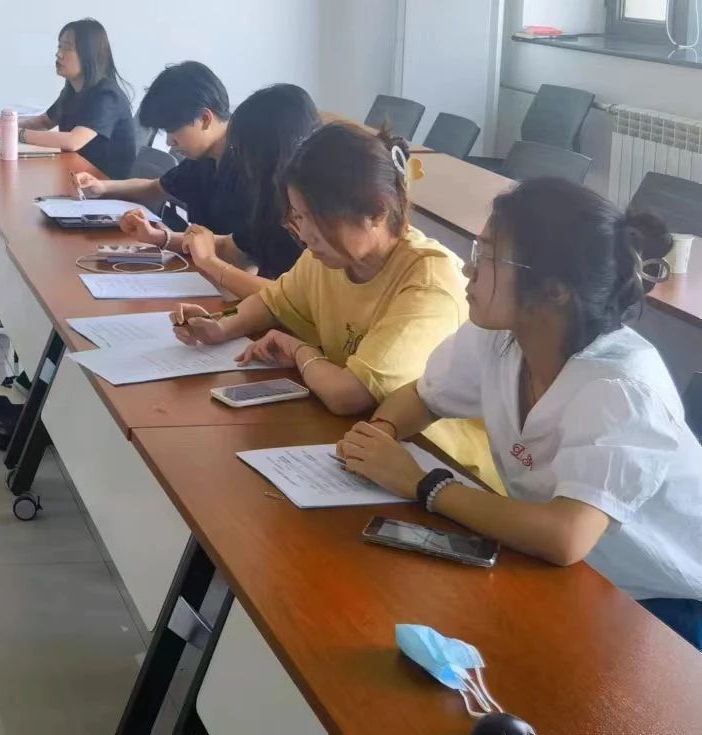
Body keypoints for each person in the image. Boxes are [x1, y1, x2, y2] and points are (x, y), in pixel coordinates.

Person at [339, 179, 702, 648]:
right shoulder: (500, 336)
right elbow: (424, 397)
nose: (468, 268)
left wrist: (422, 484)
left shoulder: (621, 389)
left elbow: (565, 536)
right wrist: (379, 437)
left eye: (489, 257)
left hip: (663, 605)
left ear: (554, 291)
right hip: (566, 569)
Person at [171, 121, 499, 487]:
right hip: (364, 444)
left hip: (438, 465)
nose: (305, 235)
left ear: (376, 212)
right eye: (298, 217)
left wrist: (300, 351)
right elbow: (273, 301)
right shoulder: (329, 257)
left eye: (318, 220)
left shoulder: (428, 282)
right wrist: (220, 326)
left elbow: (348, 394)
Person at [75, 60, 241, 246]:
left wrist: (163, 238)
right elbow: (156, 187)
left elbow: (242, 248)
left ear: (204, 118)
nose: (169, 141)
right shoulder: (202, 161)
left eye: (173, 129)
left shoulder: (249, 165)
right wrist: (103, 187)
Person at [176, 84, 318, 299]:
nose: (239, 159)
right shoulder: (271, 198)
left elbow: (295, 298)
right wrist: (162, 238)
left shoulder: (314, 213)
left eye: (242, 149)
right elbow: (235, 246)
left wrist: (210, 263)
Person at [5, 19, 138, 178]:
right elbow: (45, 122)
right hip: (76, 175)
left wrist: (17, 134)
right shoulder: (72, 89)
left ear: (89, 55)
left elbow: (74, 141)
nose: (58, 54)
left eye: (67, 48)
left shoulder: (107, 95)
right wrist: (8, 125)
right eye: (59, 46)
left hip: (104, 185)